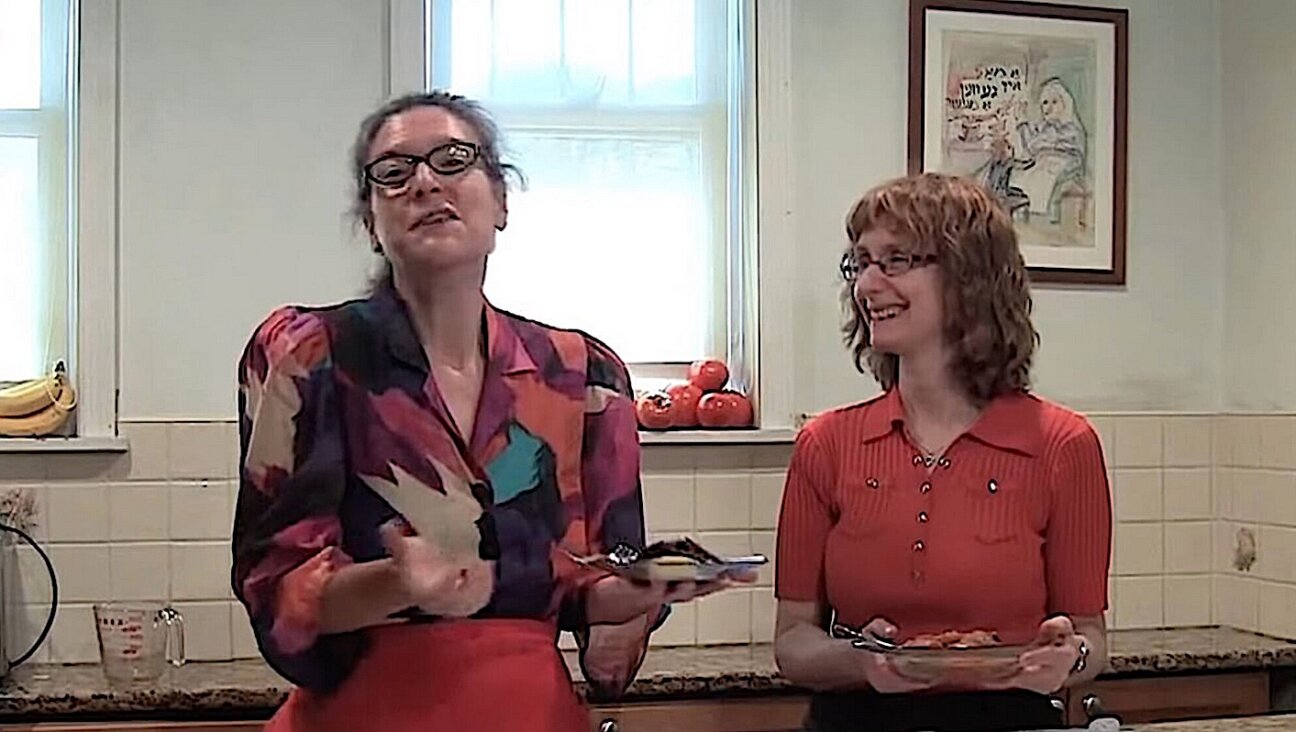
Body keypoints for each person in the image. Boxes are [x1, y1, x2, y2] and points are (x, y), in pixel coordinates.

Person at [231, 91, 746, 732]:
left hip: (531, 712)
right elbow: (277, 588)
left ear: (501, 201)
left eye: (453, 159)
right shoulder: (308, 355)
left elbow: (591, 586)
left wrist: (644, 591)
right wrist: (399, 583)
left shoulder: (583, 375)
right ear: (370, 220)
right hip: (362, 713)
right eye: (393, 172)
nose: (424, 182)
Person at [773, 173, 1112, 732]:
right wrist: (862, 662)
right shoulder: (826, 445)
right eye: (860, 263)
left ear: (968, 278)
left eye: (896, 260)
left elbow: (1090, 637)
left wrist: (1067, 657)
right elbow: (792, 643)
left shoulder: (1062, 446)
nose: (867, 285)